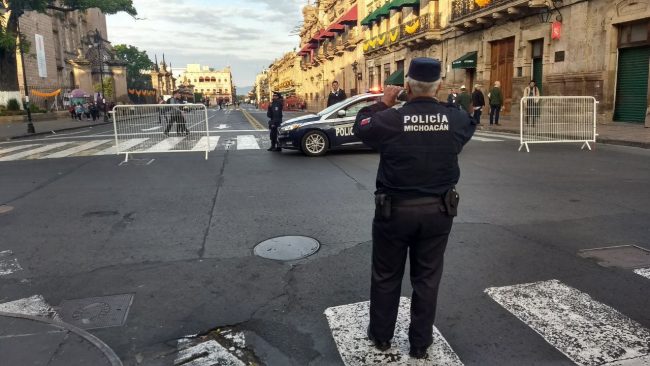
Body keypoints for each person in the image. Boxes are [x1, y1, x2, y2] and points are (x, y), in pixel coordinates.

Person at [353, 58, 476, 360]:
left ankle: (381, 336)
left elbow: (361, 127)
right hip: (438, 212)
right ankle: (420, 343)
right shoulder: (455, 119)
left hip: (394, 212)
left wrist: (383, 103)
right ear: (440, 86)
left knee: (386, 275)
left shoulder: (390, 119)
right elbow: (468, 121)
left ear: (406, 86)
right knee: (427, 278)